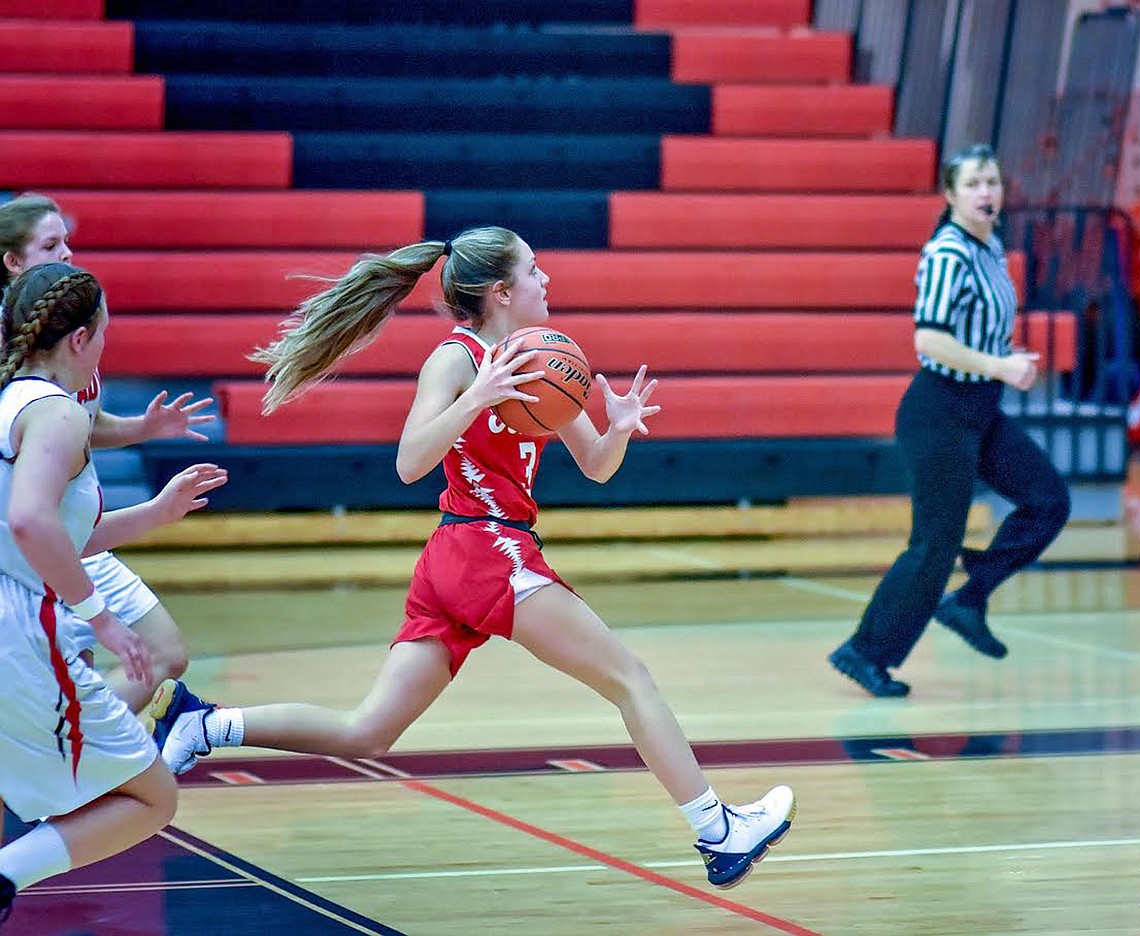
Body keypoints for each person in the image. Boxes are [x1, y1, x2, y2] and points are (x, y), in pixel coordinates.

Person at [149, 226, 796, 889]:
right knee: (630, 679)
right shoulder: (455, 360)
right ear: (502, 291)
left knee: (367, 732)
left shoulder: (543, 358)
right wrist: (477, 399)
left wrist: (619, 427)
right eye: (535, 271)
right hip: (484, 546)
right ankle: (718, 832)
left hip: (464, 558)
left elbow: (597, 466)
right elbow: (408, 463)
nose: (548, 281)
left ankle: (204, 725)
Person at [0, 263, 227, 925]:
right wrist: (101, 618)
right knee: (152, 795)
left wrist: (156, 512)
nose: (104, 347)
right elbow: (31, 523)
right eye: (102, 333)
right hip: (18, 627)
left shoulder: (11, 401)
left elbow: (55, 533)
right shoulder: (57, 414)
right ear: (78, 339)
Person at [828, 144, 1071, 698]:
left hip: (980, 408)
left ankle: (968, 599)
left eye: (993, 181)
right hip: (939, 411)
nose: (987, 192)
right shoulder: (947, 253)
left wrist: (1005, 362)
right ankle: (864, 652)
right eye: (974, 184)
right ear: (951, 195)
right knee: (935, 545)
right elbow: (929, 339)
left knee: (1048, 501)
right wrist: (1000, 365)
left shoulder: (991, 246)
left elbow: (975, 330)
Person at [1, 193, 216, 715]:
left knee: (163, 652)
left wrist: (144, 427)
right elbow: (30, 506)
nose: (69, 254)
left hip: (69, 532)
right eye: (51, 244)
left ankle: (79, 752)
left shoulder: (67, 342)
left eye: (67, 242)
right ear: (12, 261)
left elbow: (82, 426)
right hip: (26, 552)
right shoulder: (29, 360)